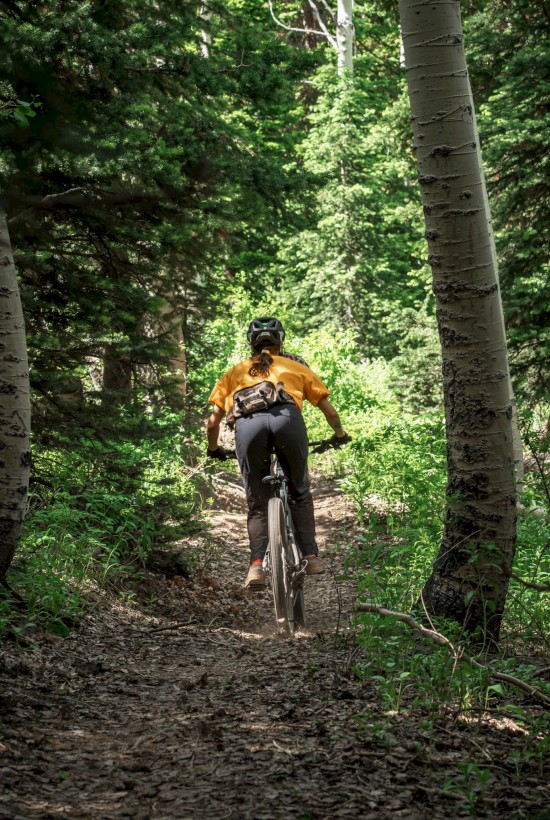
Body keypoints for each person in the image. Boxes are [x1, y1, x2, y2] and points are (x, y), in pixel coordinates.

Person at [206, 317, 350, 589]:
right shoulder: (294, 366)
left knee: (258, 503)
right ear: (281, 342)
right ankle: (311, 556)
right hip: (287, 422)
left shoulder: (235, 372)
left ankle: (257, 567)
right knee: (299, 491)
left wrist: (213, 449)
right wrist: (339, 434)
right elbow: (329, 411)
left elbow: (213, 422)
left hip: (248, 429)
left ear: (251, 344)